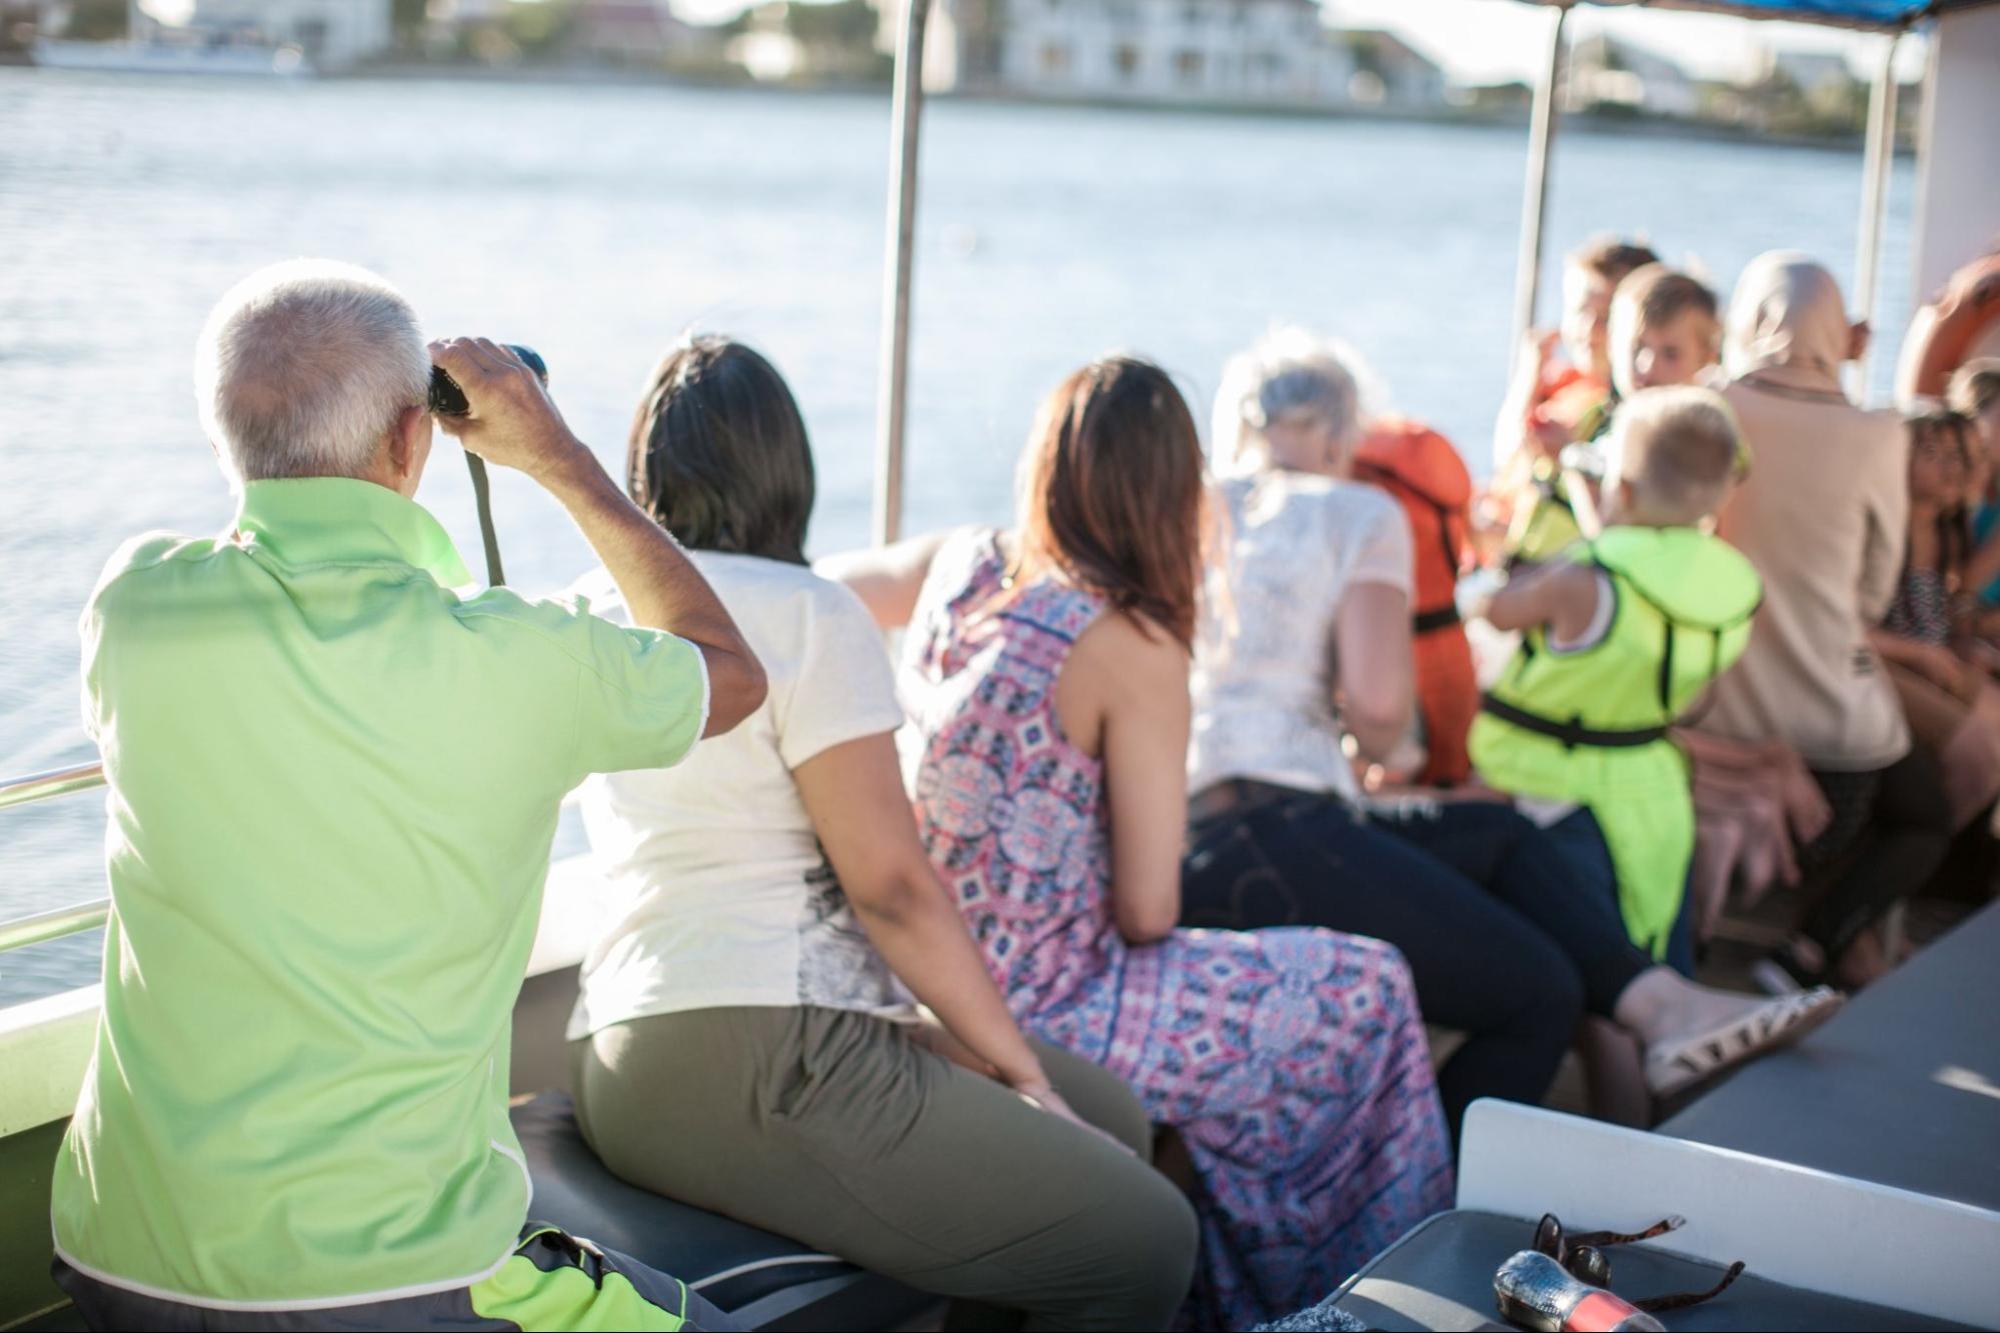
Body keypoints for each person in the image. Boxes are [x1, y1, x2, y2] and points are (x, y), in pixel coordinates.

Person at [49, 261, 768, 1330]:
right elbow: (727, 672)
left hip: (121, 1249)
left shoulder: (136, 606)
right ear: (409, 438)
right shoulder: (523, 663)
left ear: (221, 444)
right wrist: (557, 458)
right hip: (386, 1280)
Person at [565, 336, 1198, 1332]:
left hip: (622, 1049)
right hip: (764, 1051)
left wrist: (1008, 1066)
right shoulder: (810, 612)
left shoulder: (592, 612)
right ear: (788, 472)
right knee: (1151, 1238)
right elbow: (890, 890)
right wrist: (1018, 1072)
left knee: (1111, 1114)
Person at [835, 356, 1453, 1330]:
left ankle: (1232, 1291)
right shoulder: (1129, 639)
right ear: (1171, 491)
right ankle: (1346, 1309)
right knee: (1367, 992)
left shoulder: (959, 561)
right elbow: (1147, 910)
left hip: (924, 970)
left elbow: (824, 590)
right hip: (1051, 1000)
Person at [1191, 331, 1836, 1123]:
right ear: (1336, 433)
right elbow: (1384, 714)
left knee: (1500, 829)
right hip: (1282, 829)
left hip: (1192, 837)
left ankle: (1661, 1006)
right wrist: (1394, 747)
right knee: (1542, 994)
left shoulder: (1193, 505)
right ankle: (1414, 1200)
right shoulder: (1358, 510)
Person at [1698, 252, 1954, 991]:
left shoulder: (1709, 402)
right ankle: (1813, 944)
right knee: (1925, 813)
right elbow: (1873, 592)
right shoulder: (1875, 433)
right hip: (1832, 750)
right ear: (1837, 330)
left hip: (1713, 710)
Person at [1867, 410, 2000, 831]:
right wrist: (1922, 653)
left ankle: (1945, 858)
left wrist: (1964, 642)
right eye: (1933, 453)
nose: (1951, 468)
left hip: (1928, 661)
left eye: (1960, 457)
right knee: (1979, 752)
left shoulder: (1945, 534)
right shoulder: (1881, 531)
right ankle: (1930, 852)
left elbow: (1944, 616)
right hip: (1881, 664)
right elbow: (1844, 627)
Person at [1492, 237, 1661, 564]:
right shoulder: (1564, 386)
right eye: (1579, 310)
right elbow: (1508, 456)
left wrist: (1569, 453)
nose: (1588, 329)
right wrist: (1529, 377)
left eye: (1605, 317)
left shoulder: (1637, 410)